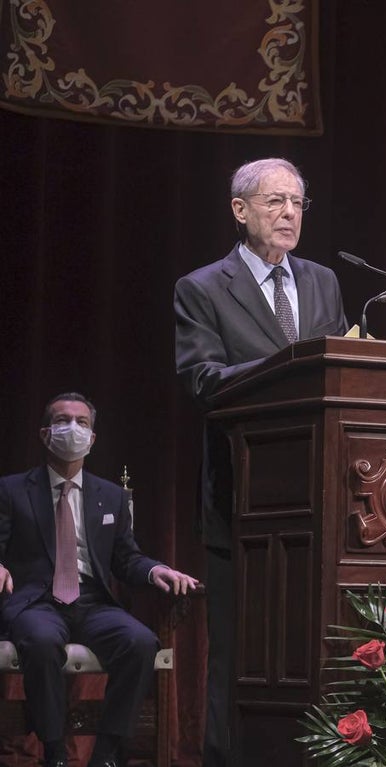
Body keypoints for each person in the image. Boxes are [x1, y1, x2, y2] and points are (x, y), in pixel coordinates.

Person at [173, 157, 348, 766]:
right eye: (274, 201)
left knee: (310, 647)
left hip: (320, 498)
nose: (289, 214)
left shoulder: (324, 281)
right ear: (239, 209)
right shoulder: (201, 287)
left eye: (298, 203)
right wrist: (292, 366)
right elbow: (202, 379)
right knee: (237, 650)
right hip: (244, 497)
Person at [0, 393, 199, 767]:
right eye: (62, 420)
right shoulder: (12, 490)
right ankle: (55, 753)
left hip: (92, 602)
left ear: (92, 439)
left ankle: (106, 755)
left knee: (140, 642)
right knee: (41, 642)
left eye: (82, 422)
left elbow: (126, 558)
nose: (72, 428)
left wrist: (157, 570)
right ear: (45, 434)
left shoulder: (110, 495)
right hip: (36, 601)